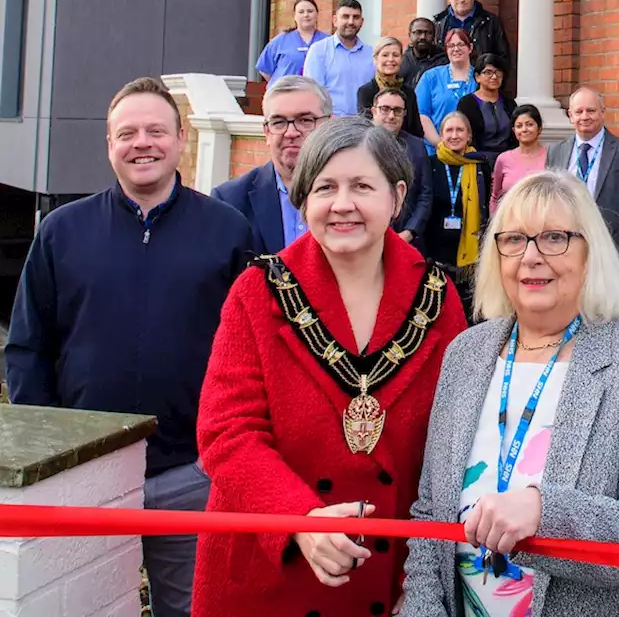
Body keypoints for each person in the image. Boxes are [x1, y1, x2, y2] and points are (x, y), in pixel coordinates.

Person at [401, 171, 619, 617]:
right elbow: (429, 513)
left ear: (590, 252)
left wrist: (544, 511)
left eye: (554, 237)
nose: (531, 257)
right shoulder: (466, 354)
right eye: (513, 239)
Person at [191, 116, 469, 616]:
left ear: (397, 196)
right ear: (304, 201)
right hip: (271, 574)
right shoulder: (257, 293)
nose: (342, 204)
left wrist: (426, 574)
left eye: (362, 185)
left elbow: (453, 443)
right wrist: (299, 518)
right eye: (325, 187)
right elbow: (227, 434)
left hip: (397, 576)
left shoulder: (439, 296)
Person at [5, 77, 254, 617]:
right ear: (109, 144)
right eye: (127, 133)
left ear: (181, 138)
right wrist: (55, 456)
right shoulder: (61, 231)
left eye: (156, 131)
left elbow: (254, 358)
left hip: (192, 473)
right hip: (84, 476)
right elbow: (27, 348)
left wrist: (225, 456)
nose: (142, 142)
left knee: (193, 610)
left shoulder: (229, 232)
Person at [213, 75, 332, 255]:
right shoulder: (230, 202)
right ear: (266, 132)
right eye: (279, 122)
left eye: (305, 120)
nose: (291, 132)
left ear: (328, 125)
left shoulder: (358, 196)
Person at [546, 87, 619, 278]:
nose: (584, 116)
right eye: (578, 111)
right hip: (564, 248)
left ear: (603, 112)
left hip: (609, 250)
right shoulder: (555, 152)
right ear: (570, 115)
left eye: (591, 110)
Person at [423, 111, 491, 319]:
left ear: (469, 135)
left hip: (470, 254)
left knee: (467, 312)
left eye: (460, 130)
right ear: (441, 135)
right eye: (449, 130)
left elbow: (486, 204)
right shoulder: (431, 164)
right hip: (436, 251)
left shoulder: (480, 164)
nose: (454, 135)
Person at [369, 87, 433, 254]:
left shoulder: (417, 146)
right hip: (366, 239)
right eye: (385, 109)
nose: (391, 115)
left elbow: (425, 194)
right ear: (373, 111)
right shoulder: (357, 146)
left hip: (407, 241)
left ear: (404, 114)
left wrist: (409, 232)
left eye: (397, 111)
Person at [303, 0, 374, 117]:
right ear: (335, 20)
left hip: (365, 126)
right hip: (331, 126)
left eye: (355, 17)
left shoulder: (371, 54)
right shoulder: (319, 51)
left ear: (362, 22)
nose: (351, 22)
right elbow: (312, 92)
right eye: (345, 16)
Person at [415, 28, 477, 154]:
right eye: (451, 45)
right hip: (435, 152)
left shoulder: (479, 78)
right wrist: (440, 144)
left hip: (471, 151)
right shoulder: (431, 77)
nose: (456, 49)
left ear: (470, 48)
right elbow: (422, 114)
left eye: (461, 44)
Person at [433, 0, 511, 68]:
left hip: (480, 79)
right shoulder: (438, 23)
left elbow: (503, 57)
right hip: (446, 79)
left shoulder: (490, 22)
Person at [456, 52, 517, 168]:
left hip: (508, 162)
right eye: (488, 72)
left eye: (498, 72)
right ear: (477, 77)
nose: (494, 77)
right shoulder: (467, 103)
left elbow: (514, 138)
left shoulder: (509, 104)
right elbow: (465, 138)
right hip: (476, 162)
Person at [357, 36, 426, 138]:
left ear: (401, 59)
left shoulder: (409, 93)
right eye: (385, 55)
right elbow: (366, 128)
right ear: (375, 59)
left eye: (395, 55)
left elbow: (416, 131)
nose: (390, 59)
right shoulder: (366, 91)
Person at [490, 103, 548, 212]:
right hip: (509, 222)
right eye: (519, 126)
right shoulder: (503, 159)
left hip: (541, 222)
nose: (524, 129)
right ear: (514, 131)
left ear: (540, 128)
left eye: (529, 124)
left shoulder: (551, 156)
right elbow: (495, 196)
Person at [256, 0, 329, 82]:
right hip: (284, 93)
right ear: (294, 16)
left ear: (317, 14)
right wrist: (278, 84)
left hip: (314, 93)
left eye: (310, 11)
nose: (306, 15)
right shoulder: (281, 40)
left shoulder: (327, 41)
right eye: (301, 12)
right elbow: (264, 69)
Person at [401, 17, 447, 89]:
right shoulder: (402, 61)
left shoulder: (443, 62)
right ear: (409, 35)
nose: (423, 37)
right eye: (418, 32)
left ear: (434, 36)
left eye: (428, 33)